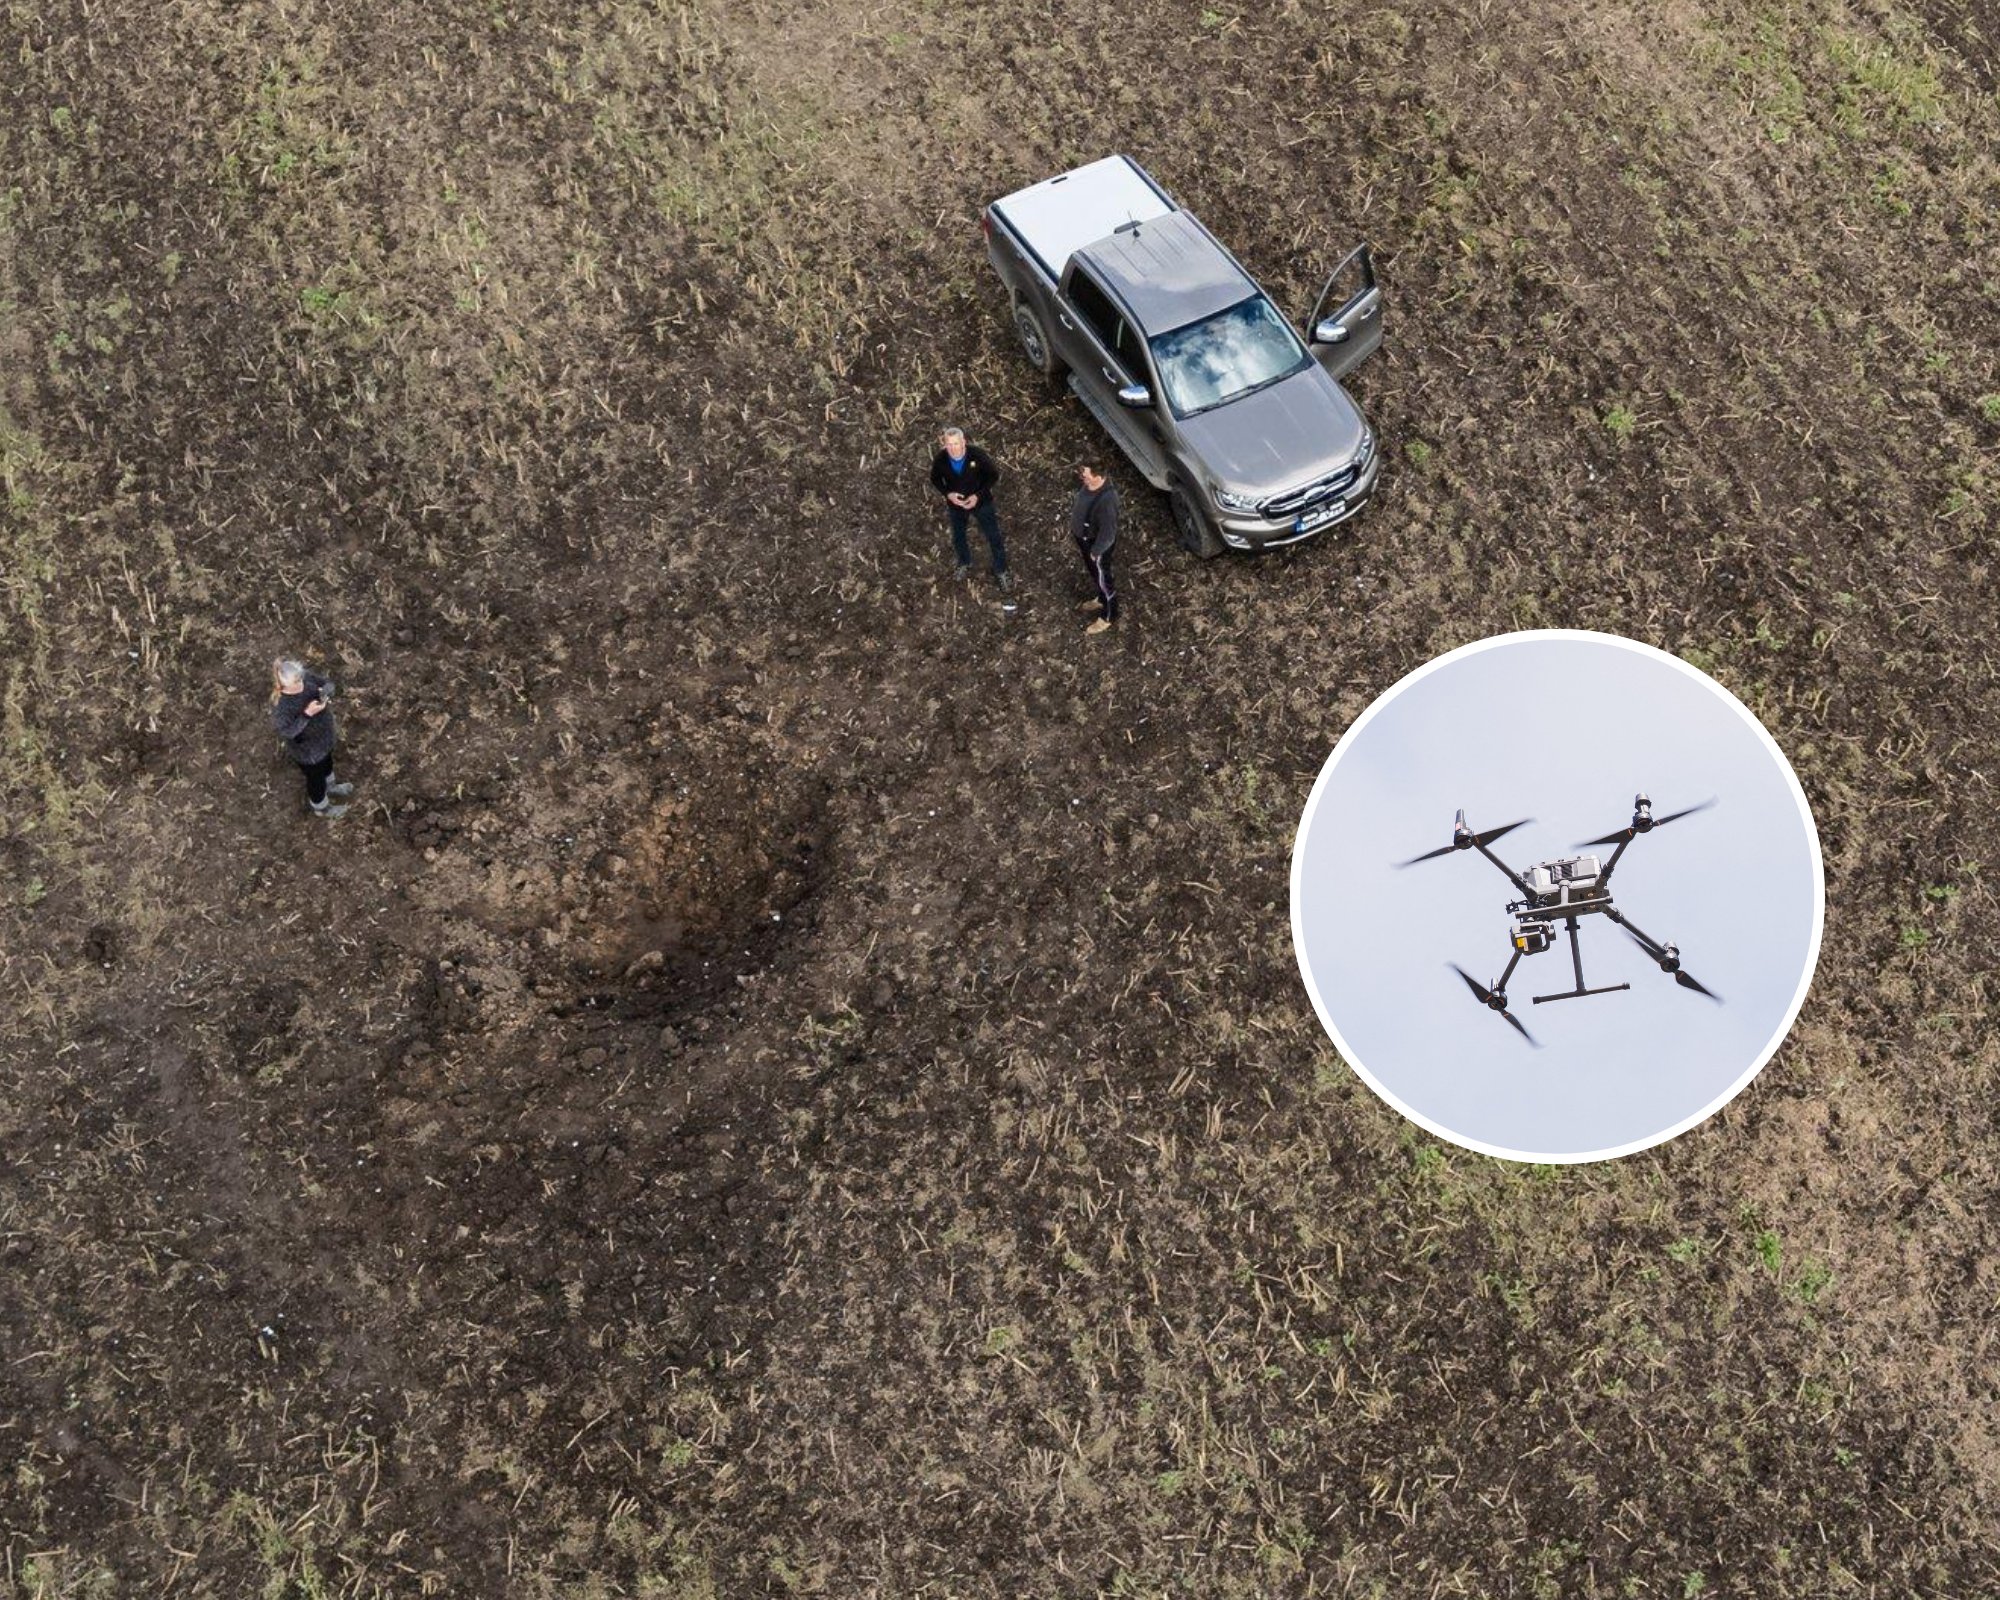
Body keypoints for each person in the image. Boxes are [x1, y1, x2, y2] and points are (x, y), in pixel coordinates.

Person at [928, 427, 1011, 593]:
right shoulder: (941, 459)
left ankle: (1001, 570)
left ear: (963, 442)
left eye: (956, 443)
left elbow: (993, 476)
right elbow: (935, 478)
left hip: (981, 503)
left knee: (993, 536)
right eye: (949, 444)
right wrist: (948, 494)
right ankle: (964, 562)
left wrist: (977, 496)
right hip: (956, 506)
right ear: (944, 444)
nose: (953, 448)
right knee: (958, 536)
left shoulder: (977, 455)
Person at [270, 656, 354, 819]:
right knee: (316, 779)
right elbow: (288, 732)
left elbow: (326, 683)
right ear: (283, 686)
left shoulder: (304, 676)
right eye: (296, 684)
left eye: (300, 680)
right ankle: (321, 807)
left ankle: (331, 786)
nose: (301, 686)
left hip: (324, 739)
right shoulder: (281, 706)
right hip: (308, 752)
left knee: (328, 763)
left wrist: (327, 690)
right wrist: (307, 714)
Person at [1070, 462, 1120, 635]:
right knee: (1094, 573)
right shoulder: (1090, 486)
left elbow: (1108, 533)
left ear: (1098, 476)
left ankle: (1109, 614)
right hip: (1085, 540)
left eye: (1085, 474)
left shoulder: (1107, 501)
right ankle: (1100, 598)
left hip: (1096, 545)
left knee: (1104, 580)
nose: (1081, 476)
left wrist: (1096, 551)